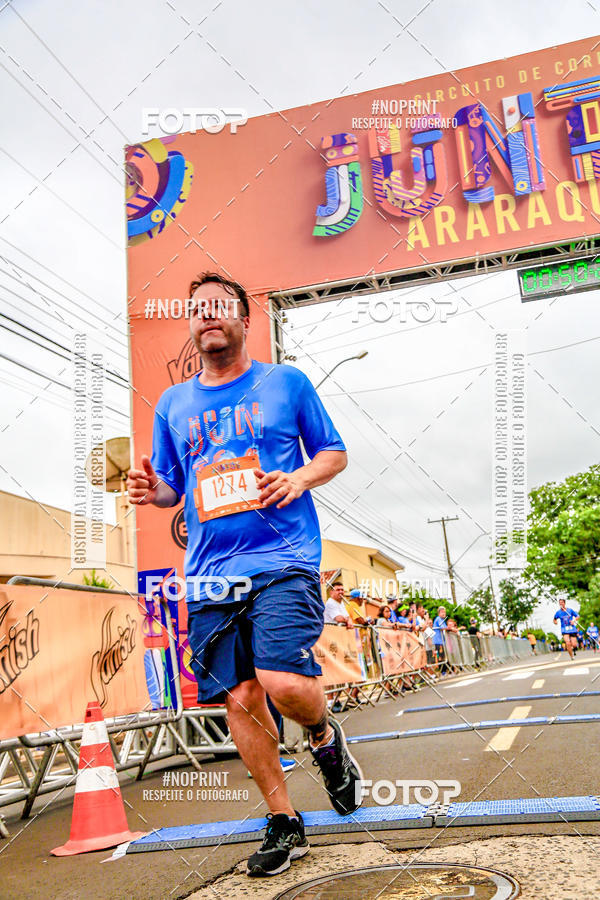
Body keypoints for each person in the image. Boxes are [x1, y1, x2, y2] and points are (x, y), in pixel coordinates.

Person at [127, 272, 363, 878]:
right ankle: (284, 821)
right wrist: (152, 491)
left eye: (219, 308)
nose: (207, 317)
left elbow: (333, 451)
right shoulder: (174, 403)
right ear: (191, 325)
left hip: (284, 559)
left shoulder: (285, 383)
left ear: (243, 320)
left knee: (282, 680)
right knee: (241, 695)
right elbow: (172, 487)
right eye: (196, 310)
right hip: (208, 572)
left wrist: (299, 478)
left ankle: (323, 734)